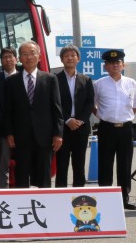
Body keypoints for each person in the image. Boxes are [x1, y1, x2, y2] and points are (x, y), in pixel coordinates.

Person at [3, 41, 63, 188]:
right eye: (24, 54)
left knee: (44, 175)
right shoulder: (11, 81)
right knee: (21, 175)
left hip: (45, 136)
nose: (29, 57)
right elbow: (8, 110)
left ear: (39, 57)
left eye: (32, 53)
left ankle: (44, 207)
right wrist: (9, 133)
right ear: (19, 58)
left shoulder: (50, 79)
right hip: (21, 136)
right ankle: (22, 207)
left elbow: (57, 109)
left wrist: (58, 134)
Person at [93, 49, 136, 210]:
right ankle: (105, 197)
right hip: (106, 128)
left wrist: (126, 117)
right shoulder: (99, 84)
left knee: (125, 164)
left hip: (125, 128)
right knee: (105, 163)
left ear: (123, 65)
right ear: (106, 67)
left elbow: (134, 106)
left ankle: (124, 198)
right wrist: (103, 115)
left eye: (118, 63)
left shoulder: (131, 83)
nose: (115, 66)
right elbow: (93, 104)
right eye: (111, 64)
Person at [55, 44, 95, 188]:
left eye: (73, 55)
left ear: (78, 58)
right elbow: (54, 103)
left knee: (79, 164)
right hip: (62, 129)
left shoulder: (86, 80)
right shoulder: (54, 79)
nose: (70, 58)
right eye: (66, 56)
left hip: (81, 128)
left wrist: (81, 120)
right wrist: (68, 119)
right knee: (62, 164)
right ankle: (60, 196)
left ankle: (78, 194)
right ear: (62, 60)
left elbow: (90, 101)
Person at [0, 46, 19, 188]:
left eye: (10, 57)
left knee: (23, 161)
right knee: (3, 161)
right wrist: (4, 123)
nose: (8, 60)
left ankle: (22, 190)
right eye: (5, 57)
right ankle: (3, 190)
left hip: (21, 127)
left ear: (16, 59)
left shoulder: (22, 76)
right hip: (2, 127)